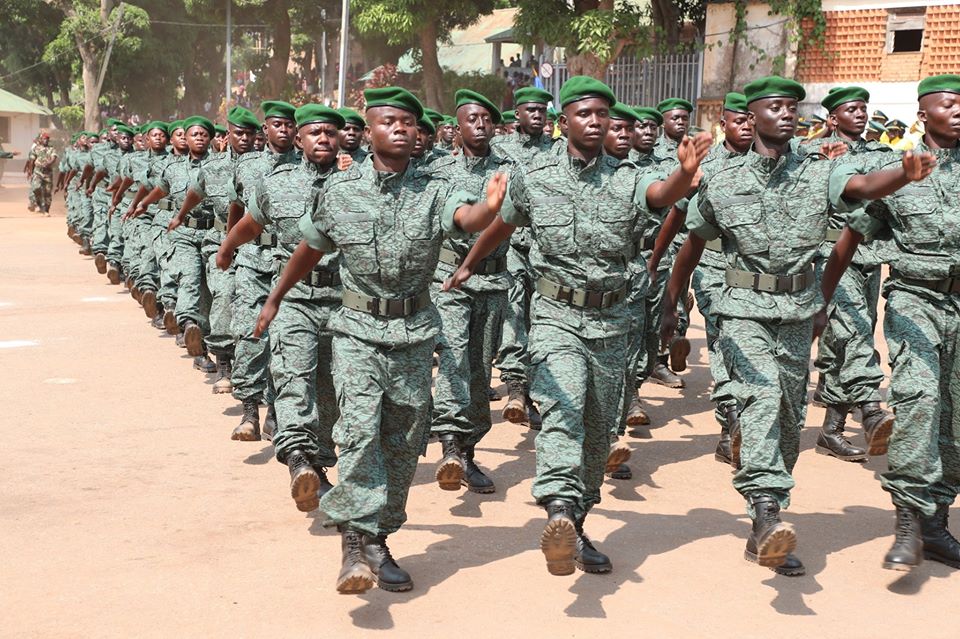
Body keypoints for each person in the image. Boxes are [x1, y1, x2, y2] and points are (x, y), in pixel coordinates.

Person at [662, 75, 935, 577]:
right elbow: (692, 243)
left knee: (789, 414)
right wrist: (668, 304)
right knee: (763, 399)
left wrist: (903, 173)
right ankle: (767, 513)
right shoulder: (721, 178)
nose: (786, 114)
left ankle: (763, 515)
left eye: (792, 107)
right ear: (754, 115)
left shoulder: (816, 172)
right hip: (741, 307)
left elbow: (860, 187)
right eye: (775, 107)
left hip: (796, 312)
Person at [445, 76, 711, 577]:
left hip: (613, 320)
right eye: (584, 114)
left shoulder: (628, 176)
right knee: (564, 409)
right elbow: (505, 222)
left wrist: (683, 174)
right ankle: (560, 508)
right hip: (556, 317)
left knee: (597, 430)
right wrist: (469, 264)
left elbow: (660, 195)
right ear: (564, 121)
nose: (595, 122)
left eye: (602, 115)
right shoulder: (535, 173)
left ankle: (578, 521)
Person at [254, 86, 507, 595]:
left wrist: (490, 206)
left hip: (414, 333)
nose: (399, 128)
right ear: (368, 132)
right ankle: (355, 543)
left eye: (408, 123)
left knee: (406, 436)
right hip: (357, 331)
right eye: (388, 120)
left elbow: (467, 219)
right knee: (360, 430)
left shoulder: (436, 188)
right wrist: (276, 296)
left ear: (417, 134)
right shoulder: (341, 192)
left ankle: (379, 535)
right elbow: (309, 247)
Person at [820, 73, 960, 572]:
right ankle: (907, 520)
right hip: (916, 299)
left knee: (955, 418)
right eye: (949, 103)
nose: (959, 110)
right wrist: (823, 300)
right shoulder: (894, 172)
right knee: (920, 400)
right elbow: (851, 238)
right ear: (925, 114)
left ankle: (936, 523)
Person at [219, 104, 348, 509]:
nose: (323, 139)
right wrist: (226, 248)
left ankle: (318, 465)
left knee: (329, 389)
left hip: (345, 302)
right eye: (314, 133)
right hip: (293, 299)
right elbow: (250, 224)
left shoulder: (359, 182)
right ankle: (297, 458)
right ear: (299, 140)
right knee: (294, 378)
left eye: (330, 132)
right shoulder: (275, 183)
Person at [428, 89, 511, 495]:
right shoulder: (439, 171)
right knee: (455, 358)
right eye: (471, 119)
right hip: (449, 280)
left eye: (486, 119)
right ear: (456, 127)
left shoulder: (513, 170)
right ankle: (449, 445)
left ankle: (468, 448)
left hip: (494, 281)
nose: (479, 125)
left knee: (480, 367)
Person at [809, 86, 896, 462]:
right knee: (855, 331)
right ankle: (872, 409)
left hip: (869, 256)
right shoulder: (814, 153)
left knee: (838, 345)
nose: (860, 114)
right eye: (851, 109)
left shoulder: (882, 154)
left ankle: (831, 430)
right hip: (831, 257)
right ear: (832, 118)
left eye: (863, 108)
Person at [169, 106, 259, 393]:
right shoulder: (214, 167)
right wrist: (180, 216)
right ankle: (223, 362)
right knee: (223, 293)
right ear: (228, 133)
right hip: (220, 244)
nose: (243, 138)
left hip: (262, 250)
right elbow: (195, 192)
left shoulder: (267, 168)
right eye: (238, 133)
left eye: (249, 133)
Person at [687, 92, 754, 465]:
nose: (746, 126)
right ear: (723, 124)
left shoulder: (771, 163)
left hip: (753, 274)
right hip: (713, 267)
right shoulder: (708, 165)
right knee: (723, 341)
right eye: (738, 119)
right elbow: (686, 223)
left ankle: (738, 425)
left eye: (750, 119)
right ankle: (730, 421)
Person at [490, 86, 555, 429]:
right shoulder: (500, 151)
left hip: (546, 250)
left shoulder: (558, 152)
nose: (538, 116)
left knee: (542, 319)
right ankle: (516, 386)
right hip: (513, 245)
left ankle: (538, 392)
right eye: (531, 110)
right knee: (514, 313)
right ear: (517, 114)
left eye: (543, 111)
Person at [30, 132, 58, 216]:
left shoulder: (51, 149)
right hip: (37, 171)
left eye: (47, 139)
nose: (46, 140)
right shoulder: (36, 148)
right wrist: (31, 172)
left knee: (47, 192)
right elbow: (32, 160)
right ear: (41, 140)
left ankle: (46, 210)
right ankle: (39, 205)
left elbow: (54, 158)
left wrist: (49, 163)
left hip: (48, 173)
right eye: (44, 139)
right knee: (36, 188)